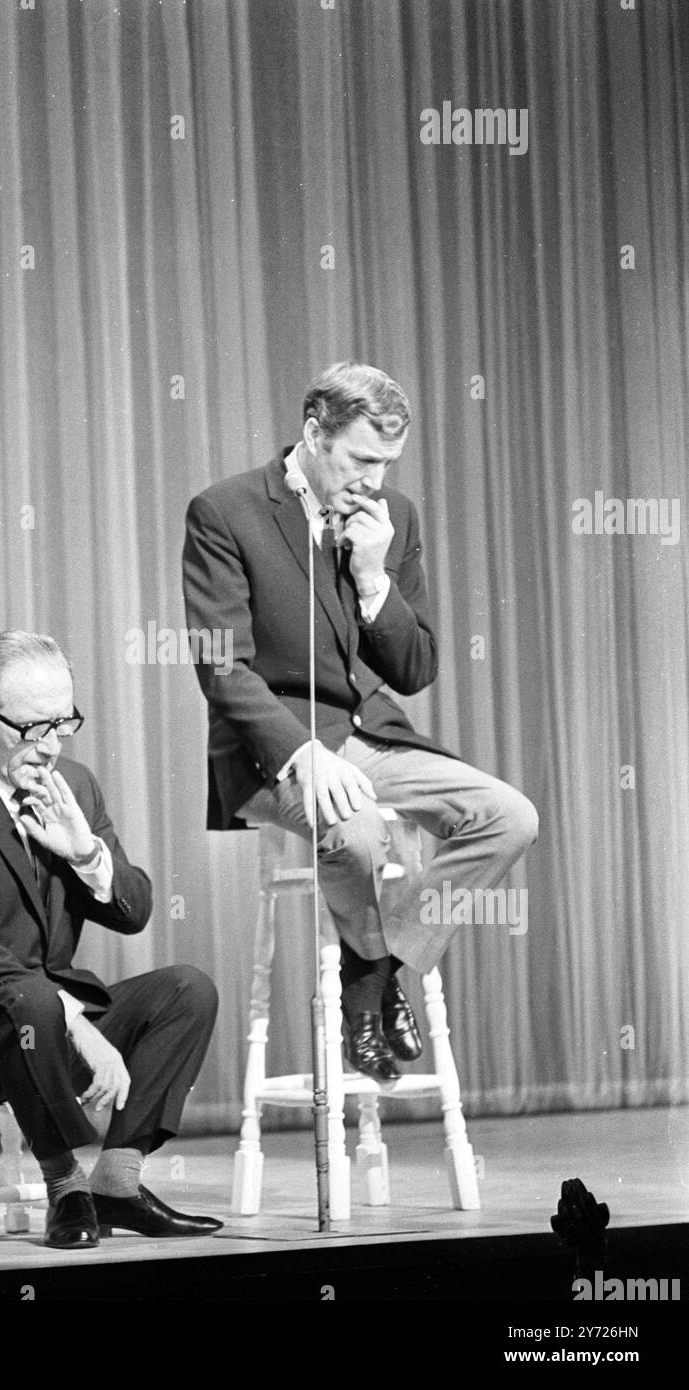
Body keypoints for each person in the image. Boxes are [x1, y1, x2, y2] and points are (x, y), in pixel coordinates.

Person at [182, 361, 538, 1082]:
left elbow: (415, 668)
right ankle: (374, 979)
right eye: (361, 460)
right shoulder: (225, 511)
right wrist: (302, 752)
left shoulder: (391, 516)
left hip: (370, 736)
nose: (374, 480)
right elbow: (221, 666)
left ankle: (372, 975)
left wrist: (375, 578)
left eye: (386, 464)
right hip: (271, 750)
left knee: (510, 817)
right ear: (315, 433)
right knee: (359, 831)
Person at [0, 630, 221, 1249]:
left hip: (40, 1026)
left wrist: (85, 853)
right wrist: (77, 1025)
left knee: (187, 991)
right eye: (34, 728)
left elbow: (135, 911)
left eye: (64, 724)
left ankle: (116, 1184)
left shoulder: (72, 785)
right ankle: (67, 1188)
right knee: (32, 1001)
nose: (52, 746)